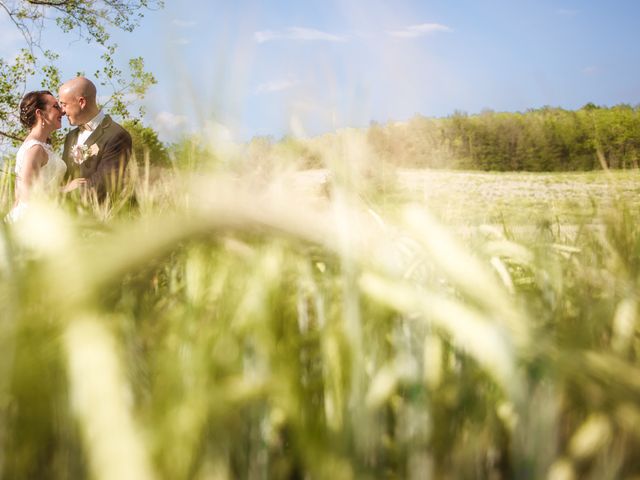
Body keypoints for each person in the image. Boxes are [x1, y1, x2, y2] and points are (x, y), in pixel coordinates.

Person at [5, 90, 78, 223]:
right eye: (56, 106)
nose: (62, 111)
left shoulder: (39, 146)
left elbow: (18, 196)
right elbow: (26, 195)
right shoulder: (34, 149)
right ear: (40, 113)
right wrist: (65, 189)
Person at [59, 77, 132, 200]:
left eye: (64, 104)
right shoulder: (70, 137)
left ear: (81, 102)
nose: (62, 111)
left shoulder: (117, 135)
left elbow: (104, 184)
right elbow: (65, 178)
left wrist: (63, 195)